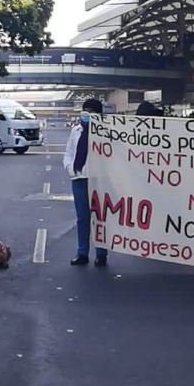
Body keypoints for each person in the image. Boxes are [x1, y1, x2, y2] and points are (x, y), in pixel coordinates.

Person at [65, 99, 107, 267]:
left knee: (100, 218)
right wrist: (70, 168)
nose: (87, 115)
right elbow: (68, 152)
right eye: (85, 112)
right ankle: (82, 252)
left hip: (99, 180)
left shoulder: (105, 132)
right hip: (79, 179)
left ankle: (101, 254)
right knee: (82, 218)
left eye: (91, 112)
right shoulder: (76, 131)